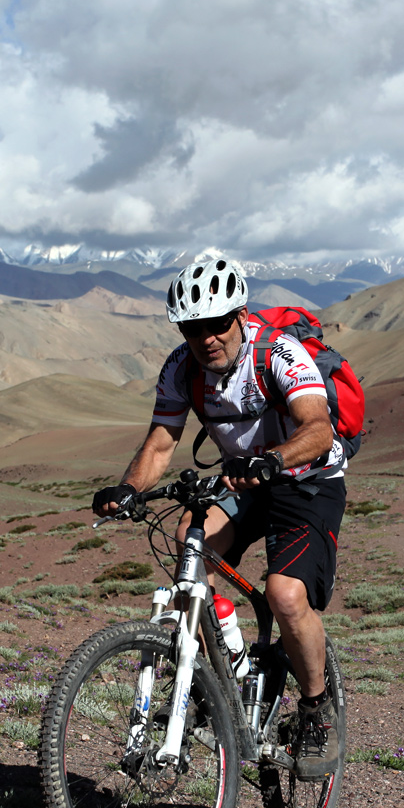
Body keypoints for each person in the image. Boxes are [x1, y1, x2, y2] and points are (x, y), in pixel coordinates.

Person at [92, 255, 346, 780]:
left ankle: (317, 711)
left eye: (216, 323)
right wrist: (129, 489)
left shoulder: (278, 353)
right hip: (241, 481)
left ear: (239, 315)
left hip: (306, 478)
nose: (206, 337)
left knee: (284, 595)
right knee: (190, 544)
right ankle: (218, 678)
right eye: (192, 328)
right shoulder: (181, 369)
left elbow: (319, 428)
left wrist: (274, 457)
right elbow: (162, 441)